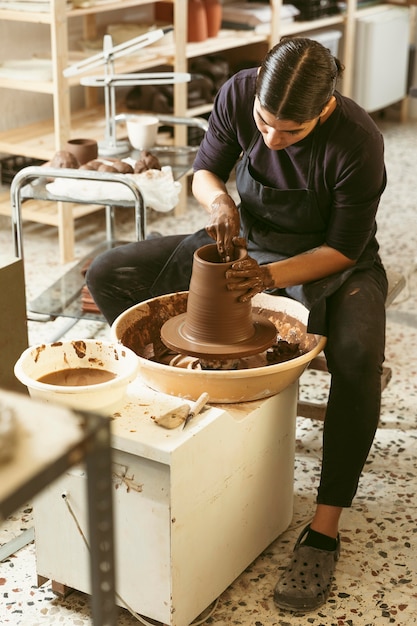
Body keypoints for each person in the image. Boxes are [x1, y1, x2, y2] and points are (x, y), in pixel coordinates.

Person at [86, 37, 388, 612]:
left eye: (291, 131)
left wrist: (269, 282)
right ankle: (196, 399)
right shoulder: (238, 91)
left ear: (325, 108)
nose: (273, 138)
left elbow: (343, 249)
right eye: (265, 123)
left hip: (328, 261)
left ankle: (324, 528)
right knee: (111, 271)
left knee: (356, 355)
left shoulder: (358, 141)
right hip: (244, 242)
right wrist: (220, 203)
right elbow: (205, 171)